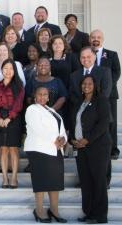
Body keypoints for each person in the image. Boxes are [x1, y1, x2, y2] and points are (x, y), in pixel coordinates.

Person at [69, 75, 111, 224]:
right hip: (80, 149)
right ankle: (89, 213)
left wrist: (87, 140)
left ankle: (100, 215)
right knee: (86, 181)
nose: (86, 86)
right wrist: (72, 140)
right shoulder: (78, 103)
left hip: (98, 147)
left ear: (95, 85)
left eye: (89, 83)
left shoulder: (101, 101)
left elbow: (104, 123)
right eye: (84, 83)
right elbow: (73, 124)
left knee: (98, 181)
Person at [24, 86, 68, 223]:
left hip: (55, 149)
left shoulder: (52, 110)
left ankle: (54, 210)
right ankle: (39, 210)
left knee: (55, 181)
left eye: (45, 95)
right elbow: (37, 129)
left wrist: (63, 139)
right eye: (40, 94)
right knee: (41, 180)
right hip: (39, 149)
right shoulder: (31, 109)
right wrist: (55, 140)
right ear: (35, 97)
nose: (43, 97)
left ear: (49, 97)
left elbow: (60, 128)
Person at [0, 59, 24, 189]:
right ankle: (5, 178)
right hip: (0, 118)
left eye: (11, 68)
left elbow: (19, 104)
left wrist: (9, 118)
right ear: (1, 70)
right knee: (3, 149)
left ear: (14, 71)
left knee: (13, 149)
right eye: (5, 68)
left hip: (14, 119)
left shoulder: (19, 85)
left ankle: (14, 178)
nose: (8, 71)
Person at [90, 29, 121, 161]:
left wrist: (105, 87)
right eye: (93, 37)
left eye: (98, 37)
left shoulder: (112, 55)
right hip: (90, 94)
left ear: (102, 39)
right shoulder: (86, 54)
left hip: (109, 95)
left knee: (110, 122)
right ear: (89, 39)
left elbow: (116, 72)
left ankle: (113, 149)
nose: (95, 39)